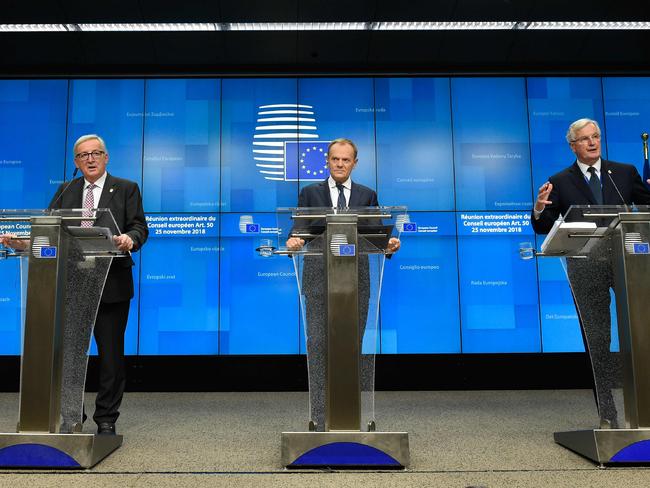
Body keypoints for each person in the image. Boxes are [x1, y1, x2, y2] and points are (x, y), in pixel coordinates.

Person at [1, 134, 148, 435]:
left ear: (106, 157)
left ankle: (106, 419)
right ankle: (71, 417)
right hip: (71, 284)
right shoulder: (66, 189)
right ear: (76, 162)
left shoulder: (126, 188)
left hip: (111, 283)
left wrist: (128, 239)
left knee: (110, 357)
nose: (90, 159)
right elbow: (47, 230)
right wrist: (21, 243)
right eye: (83, 155)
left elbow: (138, 226)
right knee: (69, 356)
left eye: (96, 153)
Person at [532, 118, 650, 428]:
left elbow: (647, 207)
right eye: (585, 139)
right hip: (586, 267)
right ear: (573, 146)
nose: (592, 142)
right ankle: (608, 414)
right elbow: (544, 227)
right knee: (598, 339)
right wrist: (539, 209)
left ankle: (643, 409)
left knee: (640, 335)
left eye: (596, 136)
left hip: (628, 263)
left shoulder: (623, 173)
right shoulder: (560, 180)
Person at [286, 138, 400, 431]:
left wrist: (388, 245)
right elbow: (298, 232)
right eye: (335, 159)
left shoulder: (367, 195)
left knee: (351, 348)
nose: (339, 164)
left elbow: (376, 239)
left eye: (345, 160)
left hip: (356, 286)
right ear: (327, 160)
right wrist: (295, 242)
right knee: (318, 346)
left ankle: (349, 418)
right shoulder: (310, 193)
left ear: (354, 163)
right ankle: (321, 419)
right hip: (317, 282)